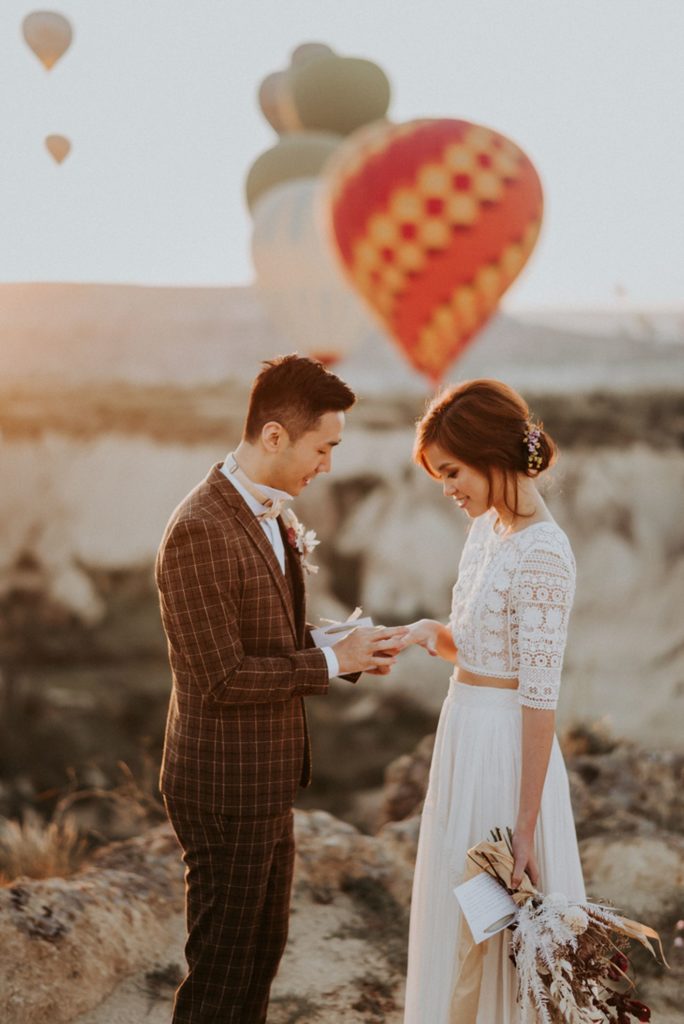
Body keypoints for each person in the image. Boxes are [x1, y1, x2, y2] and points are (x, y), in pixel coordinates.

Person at [155, 354, 407, 1024]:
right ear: (274, 437)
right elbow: (221, 677)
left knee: (259, 962)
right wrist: (326, 667)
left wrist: (343, 648)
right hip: (224, 785)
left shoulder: (269, 513)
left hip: (265, 780)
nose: (327, 464)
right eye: (323, 447)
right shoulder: (200, 530)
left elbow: (267, 634)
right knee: (221, 975)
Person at [401, 379, 586, 1024]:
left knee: (499, 936)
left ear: (488, 454)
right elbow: (485, 653)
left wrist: (525, 828)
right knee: (459, 922)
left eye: (452, 472)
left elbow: (537, 698)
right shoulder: (487, 531)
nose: (448, 489)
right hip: (463, 737)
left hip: (507, 754)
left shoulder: (544, 553)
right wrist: (433, 635)